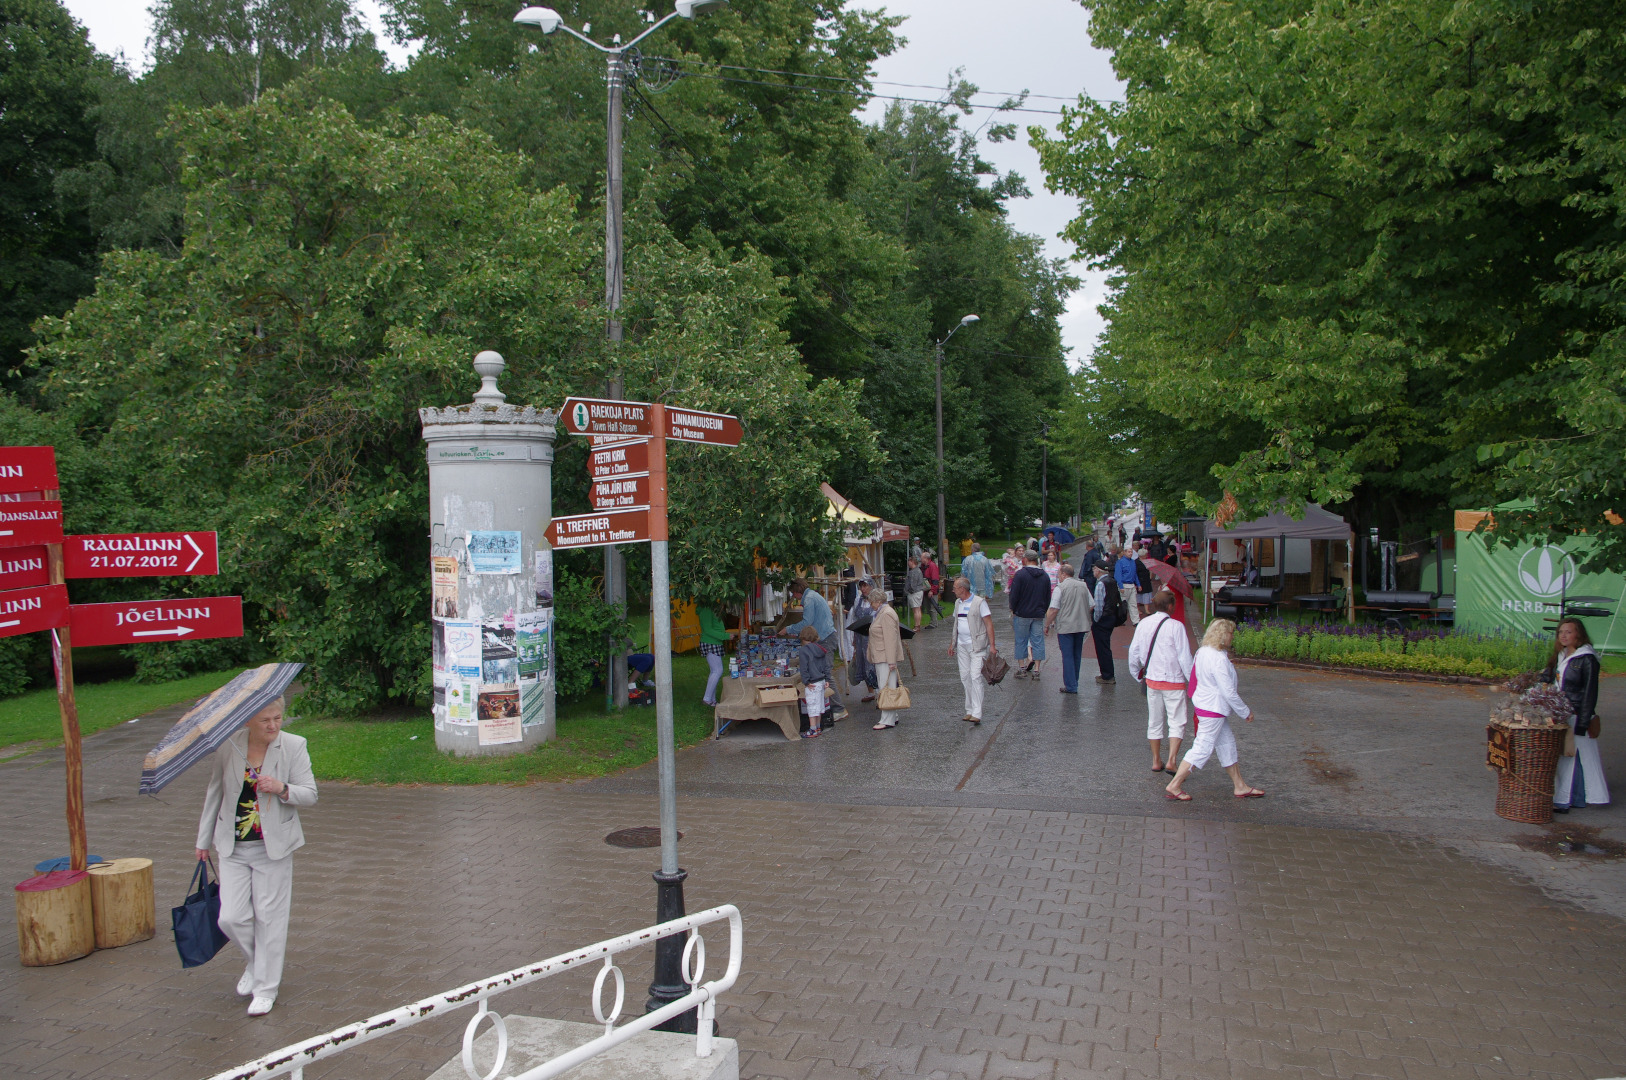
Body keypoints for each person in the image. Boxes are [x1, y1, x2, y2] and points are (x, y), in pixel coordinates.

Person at [195, 696, 317, 1016]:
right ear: (248, 720)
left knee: (269, 920)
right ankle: (255, 962)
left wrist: (281, 787)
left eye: (278, 718)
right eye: (266, 721)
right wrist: (202, 840)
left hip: (272, 848)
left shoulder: (293, 745)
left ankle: (266, 988)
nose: (274, 726)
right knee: (231, 918)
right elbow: (215, 794)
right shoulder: (228, 747)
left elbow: (310, 794)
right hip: (232, 846)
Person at [1165, 619, 1264, 801]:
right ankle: (1175, 784)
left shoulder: (1203, 652)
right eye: (1231, 633)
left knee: (1227, 744)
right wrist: (1245, 712)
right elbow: (1228, 692)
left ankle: (1240, 785)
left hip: (1206, 706)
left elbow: (1194, 679)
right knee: (1202, 747)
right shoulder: (1218, 659)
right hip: (1213, 709)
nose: (1232, 637)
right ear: (1223, 635)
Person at [1544, 617, 1609, 811]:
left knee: (1575, 756)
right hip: (1562, 713)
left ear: (1578, 634)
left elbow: (1590, 693)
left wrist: (1583, 722)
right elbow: (1552, 676)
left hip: (1577, 713)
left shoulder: (1587, 659)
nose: (1563, 636)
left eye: (1568, 632)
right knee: (1566, 755)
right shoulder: (1561, 654)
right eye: (1560, 632)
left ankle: (1569, 798)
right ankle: (1568, 797)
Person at [1127, 591, 1194, 772]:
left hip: (1152, 680)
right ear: (1171, 606)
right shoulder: (1176, 626)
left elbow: (1134, 653)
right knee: (1176, 721)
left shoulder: (1143, 624)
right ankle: (1172, 759)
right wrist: (1194, 684)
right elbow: (1185, 658)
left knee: (1154, 721)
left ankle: (1156, 760)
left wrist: (1138, 675)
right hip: (1174, 681)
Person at [780, 578, 848, 719]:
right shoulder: (813, 596)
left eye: (793, 593)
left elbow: (807, 622)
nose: (794, 597)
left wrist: (789, 629)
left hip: (826, 639)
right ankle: (829, 707)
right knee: (824, 673)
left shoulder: (810, 599)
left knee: (826, 674)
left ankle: (839, 709)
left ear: (798, 591)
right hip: (826, 637)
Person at [947, 575, 996, 724]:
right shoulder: (957, 603)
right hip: (962, 645)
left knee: (975, 676)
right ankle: (969, 709)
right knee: (965, 677)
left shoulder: (979, 602)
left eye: (955, 588)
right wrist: (952, 643)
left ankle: (977, 712)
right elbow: (956, 623)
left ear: (962, 589)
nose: (953, 590)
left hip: (977, 645)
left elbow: (988, 624)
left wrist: (992, 645)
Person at [1044, 563, 1093, 694]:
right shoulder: (1083, 586)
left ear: (1064, 574)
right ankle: (1074, 681)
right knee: (1077, 654)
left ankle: (1071, 685)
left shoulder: (1061, 588)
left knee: (1067, 656)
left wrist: (1047, 624)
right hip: (1081, 625)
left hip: (1066, 626)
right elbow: (1092, 604)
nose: (1058, 577)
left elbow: (1054, 609)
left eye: (1059, 574)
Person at [1007, 550, 1052, 679]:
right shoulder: (1044, 576)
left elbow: (1014, 595)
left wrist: (1013, 609)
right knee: (1037, 641)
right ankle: (1037, 669)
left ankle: (1022, 668)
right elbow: (1047, 596)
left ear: (1025, 560)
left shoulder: (1020, 575)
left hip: (1022, 613)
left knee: (1021, 640)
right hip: (1038, 613)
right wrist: (1043, 609)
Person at [867, 589, 907, 730]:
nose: (870, 605)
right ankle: (892, 716)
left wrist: (891, 661)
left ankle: (887, 719)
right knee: (887, 685)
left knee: (886, 687)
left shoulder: (886, 614)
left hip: (885, 656)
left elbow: (890, 639)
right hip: (881, 655)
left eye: (871, 602)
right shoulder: (882, 613)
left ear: (878, 601)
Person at [795, 625, 834, 737]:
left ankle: (812, 729)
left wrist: (806, 681)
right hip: (821, 681)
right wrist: (827, 678)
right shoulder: (821, 649)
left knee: (812, 706)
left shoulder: (803, 651)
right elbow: (826, 666)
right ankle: (818, 727)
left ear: (803, 638)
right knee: (819, 705)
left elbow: (804, 668)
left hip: (812, 682)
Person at [846, 580, 879, 702]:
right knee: (863, 663)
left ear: (871, 586)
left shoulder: (876, 600)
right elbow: (853, 618)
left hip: (872, 637)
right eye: (861, 586)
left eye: (865, 586)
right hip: (859, 637)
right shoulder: (858, 600)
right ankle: (870, 691)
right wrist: (852, 638)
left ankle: (880, 692)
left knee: (873, 664)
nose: (863, 588)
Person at [1089, 562, 1117, 684]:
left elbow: (1099, 606)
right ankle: (1107, 673)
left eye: (1094, 568)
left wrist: (1095, 620)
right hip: (1111, 617)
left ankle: (1107, 675)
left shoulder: (1101, 584)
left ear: (1099, 570)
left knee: (1102, 647)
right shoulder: (1111, 580)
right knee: (1105, 646)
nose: (1093, 571)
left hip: (1103, 619)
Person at [698, 604, 730, 707]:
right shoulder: (706, 608)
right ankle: (707, 699)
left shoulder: (710, 607)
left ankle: (711, 700)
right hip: (710, 642)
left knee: (715, 671)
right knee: (717, 670)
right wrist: (725, 636)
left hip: (714, 642)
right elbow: (708, 630)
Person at [1113, 545, 1141, 625]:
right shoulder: (1120, 562)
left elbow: (1135, 574)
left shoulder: (1133, 562)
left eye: (1131, 552)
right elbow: (1118, 575)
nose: (1130, 553)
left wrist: (1138, 584)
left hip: (1131, 584)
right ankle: (1120, 619)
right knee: (1122, 604)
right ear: (1124, 552)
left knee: (1133, 604)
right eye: (1129, 551)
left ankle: (1136, 621)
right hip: (1124, 585)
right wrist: (1121, 586)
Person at [904, 557, 926, 632]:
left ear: (912, 562)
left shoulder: (914, 572)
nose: (908, 563)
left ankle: (917, 626)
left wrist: (909, 591)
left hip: (915, 592)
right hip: (918, 591)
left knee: (916, 610)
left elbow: (913, 584)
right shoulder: (917, 570)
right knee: (918, 609)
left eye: (909, 561)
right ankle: (918, 624)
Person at [920, 553, 943, 623]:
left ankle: (934, 622)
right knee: (928, 607)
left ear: (926, 558)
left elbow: (935, 580)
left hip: (932, 590)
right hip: (926, 590)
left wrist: (932, 590)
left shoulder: (932, 566)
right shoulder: (923, 566)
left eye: (921, 557)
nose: (920, 559)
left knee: (933, 607)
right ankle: (932, 621)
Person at [1133, 547, 1155, 616]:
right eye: (1145, 554)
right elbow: (1134, 573)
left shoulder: (1147, 561)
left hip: (1146, 580)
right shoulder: (1136, 562)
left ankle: (1147, 609)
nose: (1146, 555)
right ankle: (1138, 609)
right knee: (1138, 596)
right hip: (1140, 581)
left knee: (1146, 595)